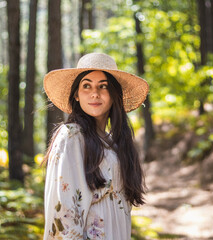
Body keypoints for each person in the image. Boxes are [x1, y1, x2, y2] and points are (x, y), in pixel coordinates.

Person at [42, 53, 149, 239]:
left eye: (103, 86)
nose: (95, 93)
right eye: (86, 85)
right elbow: (63, 212)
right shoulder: (71, 136)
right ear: (76, 94)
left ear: (114, 94)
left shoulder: (114, 143)